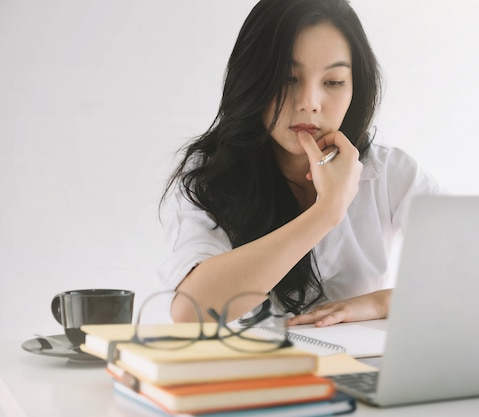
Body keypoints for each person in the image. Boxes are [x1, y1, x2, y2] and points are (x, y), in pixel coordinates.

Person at [159, 0, 440, 327]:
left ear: (355, 88)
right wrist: (328, 211)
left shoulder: (391, 172)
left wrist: (380, 302)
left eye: (333, 82)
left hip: (353, 370)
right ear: (252, 81)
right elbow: (192, 312)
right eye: (288, 79)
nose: (309, 103)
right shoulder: (210, 173)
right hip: (247, 373)